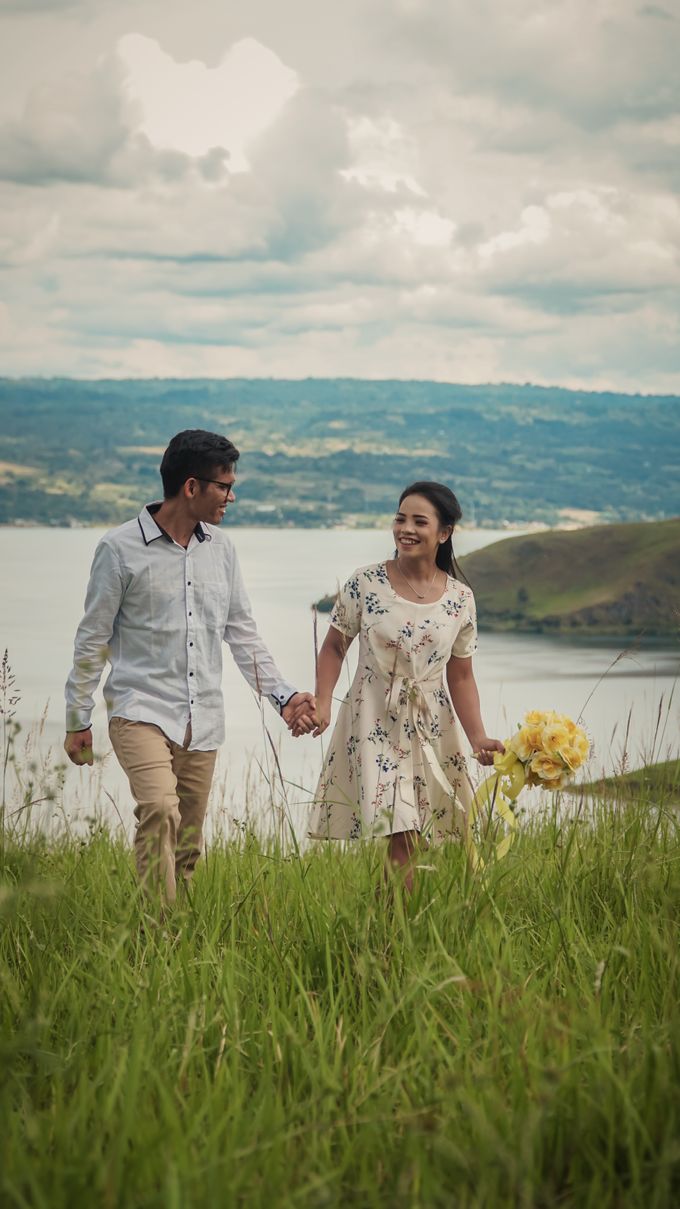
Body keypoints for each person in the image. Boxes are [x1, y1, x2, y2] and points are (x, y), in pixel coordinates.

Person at [64, 429, 314, 905]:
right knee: (160, 808)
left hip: (203, 719)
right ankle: (157, 936)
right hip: (139, 709)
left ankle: (177, 935)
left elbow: (241, 633)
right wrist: (78, 718)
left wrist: (284, 698)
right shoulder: (118, 550)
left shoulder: (221, 549)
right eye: (224, 485)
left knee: (187, 843)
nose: (232, 496)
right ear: (192, 487)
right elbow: (91, 637)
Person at [309, 481, 504, 891]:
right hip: (373, 719)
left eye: (419, 521)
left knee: (416, 838)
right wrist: (323, 703)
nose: (406, 529)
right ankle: (391, 940)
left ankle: (388, 935)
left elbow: (462, 675)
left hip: (432, 725)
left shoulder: (460, 599)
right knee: (404, 832)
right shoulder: (365, 583)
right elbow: (333, 647)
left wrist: (478, 737)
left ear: (444, 533)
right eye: (400, 518)